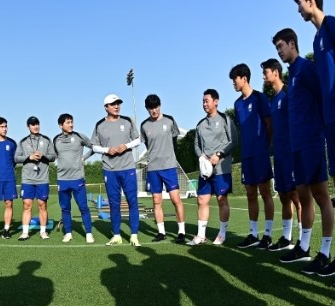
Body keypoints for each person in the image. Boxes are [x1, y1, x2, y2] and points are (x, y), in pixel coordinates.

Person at [292, 0, 335, 278]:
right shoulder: (316, 40)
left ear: (310, 1)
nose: (298, 9)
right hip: (332, 123)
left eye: (299, 3)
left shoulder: (332, 25)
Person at [273, 29, 335, 272]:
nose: (279, 51)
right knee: (303, 195)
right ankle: (305, 246)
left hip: (311, 143)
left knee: (321, 195)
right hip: (296, 147)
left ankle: (326, 252)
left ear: (292, 43)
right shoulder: (292, 73)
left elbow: (322, 99)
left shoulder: (306, 69)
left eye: (281, 46)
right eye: (276, 48)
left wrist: (318, 132)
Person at [229, 63, 276, 249]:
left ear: (244, 79)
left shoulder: (260, 98)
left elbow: (269, 124)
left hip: (260, 153)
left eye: (235, 80)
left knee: (265, 192)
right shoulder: (237, 104)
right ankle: (253, 233)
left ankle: (268, 234)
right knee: (250, 193)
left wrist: (266, 145)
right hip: (246, 155)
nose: (233, 83)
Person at [260, 58, 301, 250]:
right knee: (284, 194)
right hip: (279, 154)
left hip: (292, 152)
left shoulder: (288, 92)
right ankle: (287, 237)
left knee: (296, 195)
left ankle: (303, 239)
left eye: (266, 72)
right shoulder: (272, 100)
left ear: (276, 72)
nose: (264, 76)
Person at [188, 89, 237, 246]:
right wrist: (201, 157)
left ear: (216, 101)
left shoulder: (225, 119)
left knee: (222, 200)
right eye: (203, 101)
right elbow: (196, 145)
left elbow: (233, 141)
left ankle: (222, 234)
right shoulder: (200, 125)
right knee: (202, 200)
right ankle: (201, 235)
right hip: (205, 170)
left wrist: (219, 154)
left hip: (221, 169)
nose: (204, 104)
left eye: (207, 100)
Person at [92, 94, 142, 247]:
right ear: (106, 107)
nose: (117, 106)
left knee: (132, 202)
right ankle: (117, 236)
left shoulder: (127, 121)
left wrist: (126, 146)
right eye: (113, 104)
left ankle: (134, 235)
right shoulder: (99, 125)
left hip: (128, 168)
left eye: (118, 103)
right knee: (114, 204)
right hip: (110, 170)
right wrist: (107, 150)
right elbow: (94, 146)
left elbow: (139, 139)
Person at [139, 94, 186, 243]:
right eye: (151, 108)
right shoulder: (144, 125)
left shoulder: (170, 120)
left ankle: (181, 232)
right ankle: (161, 232)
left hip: (169, 167)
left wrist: (169, 158)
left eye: (156, 106)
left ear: (160, 105)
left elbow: (174, 142)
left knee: (175, 199)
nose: (154, 110)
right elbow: (147, 145)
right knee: (156, 200)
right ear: (147, 109)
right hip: (153, 168)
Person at [53, 113, 93, 243]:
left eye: (71, 122)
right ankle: (68, 233)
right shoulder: (56, 140)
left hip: (78, 178)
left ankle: (88, 233)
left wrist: (83, 158)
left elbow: (93, 147)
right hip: (62, 179)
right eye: (68, 122)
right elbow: (53, 156)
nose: (71, 124)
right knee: (65, 208)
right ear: (61, 125)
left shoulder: (79, 136)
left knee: (83, 207)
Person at [15, 116, 56, 241]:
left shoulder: (47, 140)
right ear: (28, 127)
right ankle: (25, 232)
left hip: (42, 179)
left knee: (42, 204)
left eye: (37, 124)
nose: (35, 126)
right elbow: (16, 158)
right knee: (27, 205)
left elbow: (53, 157)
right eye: (32, 124)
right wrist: (29, 157)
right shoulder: (23, 141)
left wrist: (43, 156)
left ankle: (43, 232)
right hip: (28, 179)